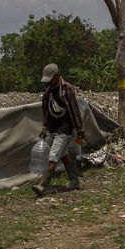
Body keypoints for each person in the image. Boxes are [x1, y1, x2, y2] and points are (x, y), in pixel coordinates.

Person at [32, 63, 85, 197]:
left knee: (53, 156)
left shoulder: (67, 90)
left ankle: (42, 185)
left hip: (65, 128)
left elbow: (74, 110)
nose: (47, 82)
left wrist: (79, 129)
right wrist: (44, 127)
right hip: (54, 128)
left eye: (50, 79)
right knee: (63, 155)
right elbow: (46, 111)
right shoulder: (48, 91)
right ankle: (74, 181)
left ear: (57, 76)